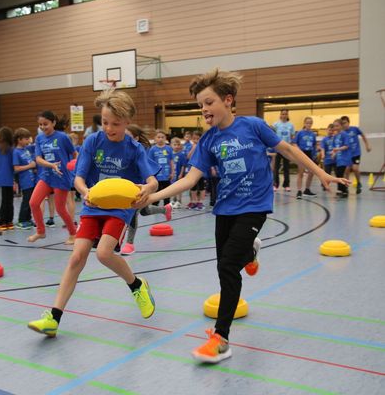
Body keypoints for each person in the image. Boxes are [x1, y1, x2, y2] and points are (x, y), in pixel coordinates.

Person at [141, 67, 349, 364]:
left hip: (254, 205)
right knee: (224, 265)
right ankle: (251, 251)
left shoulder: (253, 125)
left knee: (227, 267)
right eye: (201, 105)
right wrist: (153, 196)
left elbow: (288, 150)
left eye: (209, 102)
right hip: (225, 207)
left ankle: (221, 338)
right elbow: (189, 179)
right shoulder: (208, 140)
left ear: (228, 100)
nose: (204, 109)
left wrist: (321, 173)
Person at [27, 89, 159, 337]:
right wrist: (85, 190)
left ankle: (137, 285)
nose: (109, 128)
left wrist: (148, 188)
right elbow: (77, 178)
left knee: (104, 253)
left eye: (116, 124)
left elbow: (153, 181)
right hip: (93, 205)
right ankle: (53, 318)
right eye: (105, 122)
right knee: (76, 258)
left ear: (127, 121)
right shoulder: (93, 142)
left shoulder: (134, 148)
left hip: (119, 209)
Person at [120, 124, 171, 256]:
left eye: (128, 136)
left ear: (136, 138)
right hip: (125, 186)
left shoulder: (140, 151)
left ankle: (129, 243)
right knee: (145, 211)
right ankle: (165, 209)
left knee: (133, 212)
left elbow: (147, 172)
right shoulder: (120, 149)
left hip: (141, 186)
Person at [28, 110, 77, 244]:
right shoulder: (39, 139)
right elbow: (38, 159)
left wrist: (77, 169)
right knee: (33, 203)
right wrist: (51, 165)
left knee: (60, 209)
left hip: (61, 177)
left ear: (53, 123)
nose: (43, 127)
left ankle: (73, 233)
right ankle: (41, 231)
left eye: (46, 124)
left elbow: (74, 155)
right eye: (40, 125)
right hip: (46, 176)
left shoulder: (62, 137)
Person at [0, 126, 15, 230]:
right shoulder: (12, 149)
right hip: (9, 178)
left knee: (0, 201)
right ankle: (9, 221)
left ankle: (2, 221)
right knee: (9, 201)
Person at [341, 116, 371, 194]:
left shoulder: (354, 129)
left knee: (355, 168)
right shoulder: (342, 133)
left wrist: (367, 145)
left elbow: (363, 135)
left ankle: (358, 183)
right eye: (342, 123)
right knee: (347, 170)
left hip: (356, 153)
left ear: (348, 122)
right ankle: (346, 186)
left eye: (345, 123)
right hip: (347, 154)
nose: (344, 125)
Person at [13, 128, 36, 230]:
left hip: (31, 180)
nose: (28, 141)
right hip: (25, 181)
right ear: (19, 139)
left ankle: (28, 218)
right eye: (26, 139)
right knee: (26, 201)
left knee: (31, 201)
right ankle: (22, 220)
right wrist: (30, 166)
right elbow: (16, 168)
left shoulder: (26, 150)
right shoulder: (16, 152)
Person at [148, 130, 174, 205]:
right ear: (155, 138)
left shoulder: (169, 148)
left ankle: (167, 207)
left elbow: (171, 161)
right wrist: (151, 175)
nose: (160, 139)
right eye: (158, 137)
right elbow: (150, 163)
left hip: (166, 176)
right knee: (156, 193)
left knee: (167, 192)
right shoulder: (152, 149)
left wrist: (172, 172)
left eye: (162, 137)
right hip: (156, 176)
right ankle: (154, 207)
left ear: (165, 138)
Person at [294, 117, 318, 199]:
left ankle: (307, 190)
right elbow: (294, 143)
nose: (309, 124)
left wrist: (315, 154)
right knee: (301, 172)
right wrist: (299, 150)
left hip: (310, 154)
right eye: (307, 123)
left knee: (311, 172)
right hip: (302, 153)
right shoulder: (300, 133)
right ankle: (299, 191)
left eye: (310, 123)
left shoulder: (312, 134)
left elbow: (314, 145)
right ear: (304, 123)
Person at [273, 109, 295, 191]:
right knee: (276, 167)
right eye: (283, 114)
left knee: (286, 167)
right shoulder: (276, 124)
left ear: (287, 115)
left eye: (286, 114)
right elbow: (272, 135)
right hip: (278, 148)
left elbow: (292, 137)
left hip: (287, 149)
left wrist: (292, 146)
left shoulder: (291, 125)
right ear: (280, 115)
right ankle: (275, 184)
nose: (284, 115)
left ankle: (286, 185)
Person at [331, 119, 352, 198]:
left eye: (337, 126)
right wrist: (333, 153)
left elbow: (346, 146)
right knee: (338, 174)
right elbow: (334, 148)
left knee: (340, 173)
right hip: (338, 158)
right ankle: (341, 189)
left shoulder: (345, 134)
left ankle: (344, 190)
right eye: (334, 126)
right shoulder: (335, 136)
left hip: (344, 158)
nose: (335, 127)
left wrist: (338, 149)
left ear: (341, 126)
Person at [170, 137, 186, 208]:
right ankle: (174, 199)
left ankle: (179, 201)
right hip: (173, 174)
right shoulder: (170, 154)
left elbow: (183, 165)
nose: (176, 146)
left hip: (179, 174)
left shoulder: (181, 154)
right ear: (171, 145)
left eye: (178, 145)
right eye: (174, 144)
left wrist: (181, 174)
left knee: (179, 188)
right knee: (173, 188)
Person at [319, 124, 336, 191]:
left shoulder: (335, 138)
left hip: (335, 160)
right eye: (329, 130)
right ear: (327, 130)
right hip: (327, 160)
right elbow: (322, 148)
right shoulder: (324, 139)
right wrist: (323, 155)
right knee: (327, 173)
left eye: (332, 130)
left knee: (336, 172)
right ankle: (324, 184)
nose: (331, 132)